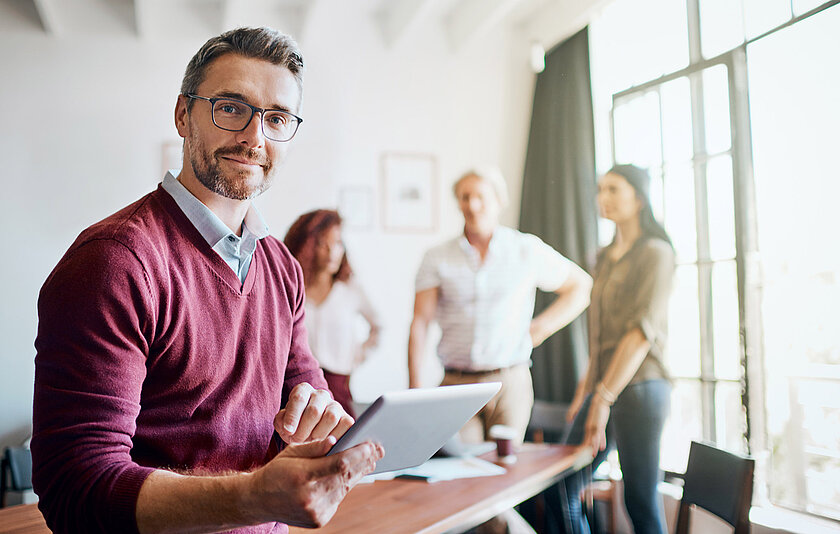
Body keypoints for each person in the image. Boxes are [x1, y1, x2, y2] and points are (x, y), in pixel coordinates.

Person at [31, 27, 383, 534]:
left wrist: (318, 416)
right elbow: (76, 489)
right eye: (231, 108)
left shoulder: (282, 266)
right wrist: (251, 497)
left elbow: (308, 392)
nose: (255, 137)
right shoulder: (114, 261)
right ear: (183, 115)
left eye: (276, 118)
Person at [408, 166, 592, 445]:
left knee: (506, 466)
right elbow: (420, 322)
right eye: (465, 197)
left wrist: (540, 328)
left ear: (499, 201)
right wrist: (415, 388)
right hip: (456, 385)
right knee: (461, 465)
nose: (472, 205)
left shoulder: (526, 249)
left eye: (480, 196)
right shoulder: (436, 257)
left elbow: (581, 287)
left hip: (510, 383)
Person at [553, 164, 676, 534]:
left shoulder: (656, 253)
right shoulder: (603, 257)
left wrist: (602, 399)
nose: (602, 197)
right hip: (604, 387)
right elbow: (598, 335)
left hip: (642, 388)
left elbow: (641, 333)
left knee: (639, 501)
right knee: (562, 484)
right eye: (600, 189)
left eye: (613, 189)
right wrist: (585, 392)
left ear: (638, 199)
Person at [284, 209, 381, 418]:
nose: (332, 252)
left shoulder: (350, 289)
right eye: (322, 243)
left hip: (339, 388)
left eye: (337, 243)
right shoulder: (290, 288)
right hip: (295, 392)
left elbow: (379, 326)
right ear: (306, 245)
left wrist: (355, 357)